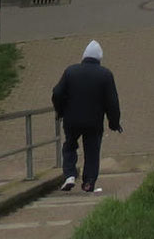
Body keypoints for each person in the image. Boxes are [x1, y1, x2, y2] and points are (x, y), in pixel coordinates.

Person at [50, 39, 122, 193]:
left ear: (83, 57)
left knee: (69, 145)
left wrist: (60, 110)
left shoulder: (70, 71)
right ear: (99, 59)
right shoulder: (105, 75)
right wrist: (114, 123)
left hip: (71, 120)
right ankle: (88, 182)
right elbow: (112, 102)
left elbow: (57, 93)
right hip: (94, 122)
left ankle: (69, 174)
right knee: (92, 151)